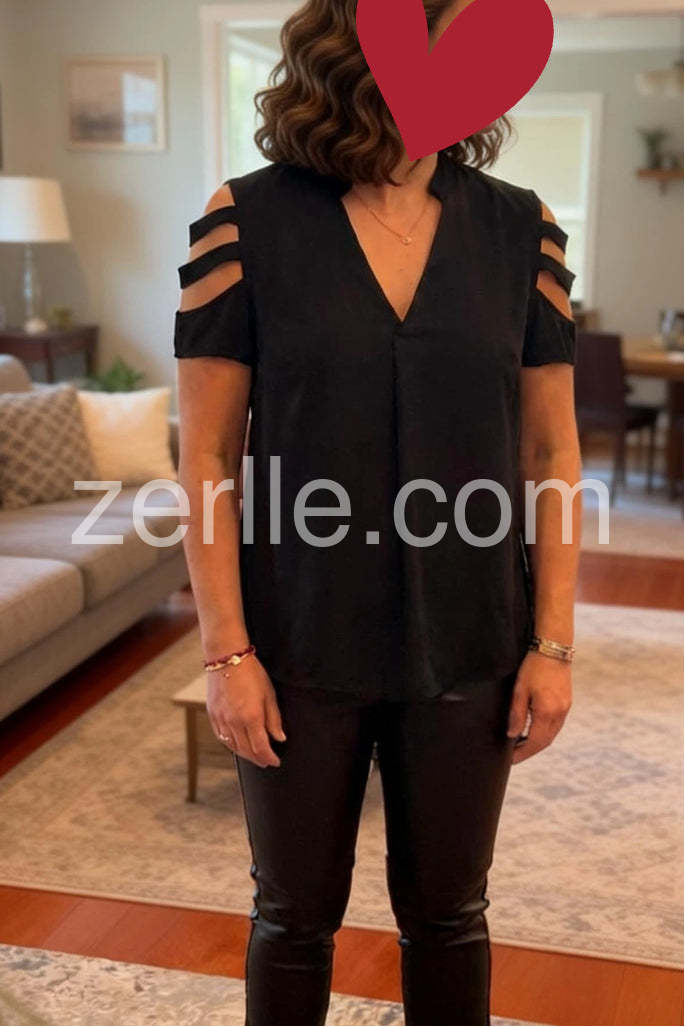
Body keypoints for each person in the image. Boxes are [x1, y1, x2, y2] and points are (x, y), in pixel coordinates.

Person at [173, 1, 581, 1023]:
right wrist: (225, 651)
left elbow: (550, 451)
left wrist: (553, 643)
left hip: (471, 629)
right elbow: (209, 454)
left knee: (449, 913)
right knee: (292, 914)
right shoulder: (244, 220)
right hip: (297, 633)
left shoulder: (521, 229)